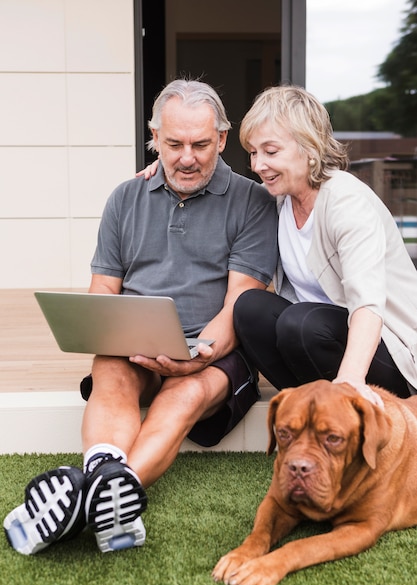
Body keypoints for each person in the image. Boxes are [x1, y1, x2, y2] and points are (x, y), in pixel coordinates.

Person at [3, 79, 278, 556]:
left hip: (214, 352)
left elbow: (239, 305)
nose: (186, 157)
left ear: (222, 139)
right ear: (154, 136)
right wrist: (109, 331)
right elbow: (103, 292)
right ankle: (112, 501)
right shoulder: (124, 199)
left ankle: (87, 499)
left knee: (183, 395)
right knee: (110, 374)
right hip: (135, 341)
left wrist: (191, 360)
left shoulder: (252, 203)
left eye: (199, 144)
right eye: (173, 144)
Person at [233, 84, 417, 406]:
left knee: (301, 323)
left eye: (270, 151)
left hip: (389, 351)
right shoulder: (277, 199)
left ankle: (346, 408)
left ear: (309, 147)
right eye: (253, 152)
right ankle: (309, 412)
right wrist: (164, 170)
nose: (258, 164)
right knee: (250, 308)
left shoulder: (346, 202)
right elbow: (228, 193)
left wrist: (350, 379)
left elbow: (367, 304)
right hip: (317, 338)